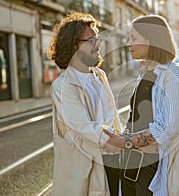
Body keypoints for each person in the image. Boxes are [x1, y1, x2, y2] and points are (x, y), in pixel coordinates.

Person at [104, 14, 179, 195]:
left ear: (152, 40)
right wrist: (120, 137)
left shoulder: (173, 75)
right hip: (131, 165)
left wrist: (123, 142)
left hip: (154, 168)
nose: (128, 43)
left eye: (133, 38)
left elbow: (167, 129)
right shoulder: (145, 72)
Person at [47, 12, 122, 196]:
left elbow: (112, 115)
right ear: (74, 46)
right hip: (85, 170)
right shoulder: (63, 86)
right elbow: (84, 127)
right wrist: (121, 142)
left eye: (97, 39)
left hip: (112, 160)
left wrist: (123, 138)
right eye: (91, 41)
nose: (97, 45)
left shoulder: (99, 76)